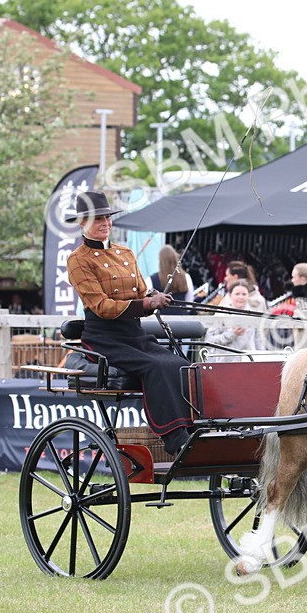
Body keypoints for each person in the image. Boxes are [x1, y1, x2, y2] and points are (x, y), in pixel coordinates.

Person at [65, 191, 194, 455]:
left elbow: (141, 291)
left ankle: (193, 428)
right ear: (82, 223)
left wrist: (154, 296)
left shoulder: (125, 252)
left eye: (107, 218)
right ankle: (173, 437)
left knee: (181, 364)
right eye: (98, 219)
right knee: (156, 366)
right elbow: (101, 306)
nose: (105, 223)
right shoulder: (78, 260)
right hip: (104, 337)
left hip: (133, 333)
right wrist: (146, 305)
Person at [206, 281, 261, 355]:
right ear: (230, 295)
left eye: (244, 294)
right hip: (226, 361)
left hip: (249, 360)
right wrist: (232, 334)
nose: (241, 297)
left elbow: (259, 342)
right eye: (237, 294)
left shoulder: (254, 315)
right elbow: (209, 340)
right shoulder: (221, 314)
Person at [150, 244, 194, 315]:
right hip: (182, 320)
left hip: (160, 321)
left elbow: (149, 303)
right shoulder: (186, 277)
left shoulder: (151, 280)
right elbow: (189, 303)